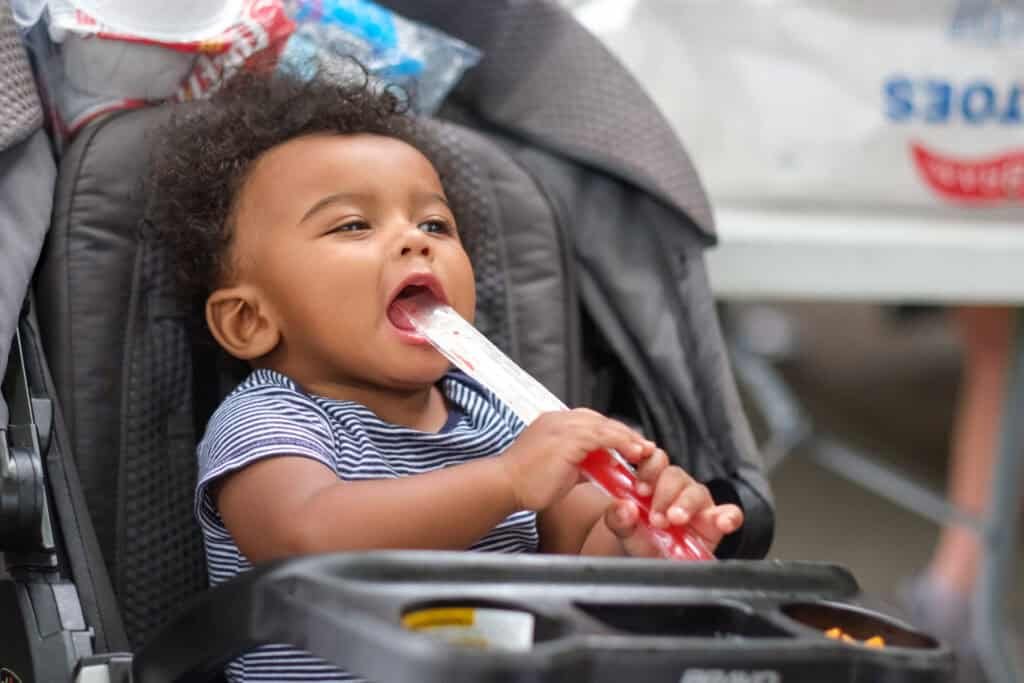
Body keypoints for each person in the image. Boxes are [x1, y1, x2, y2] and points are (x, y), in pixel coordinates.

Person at [147, 69, 745, 683]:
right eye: (353, 225)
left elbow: (578, 556)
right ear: (250, 320)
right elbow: (308, 536)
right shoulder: (268, 419)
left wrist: (639, 538)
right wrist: (508, 480)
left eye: (436, 224)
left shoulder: (501, 413)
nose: (414, 240)